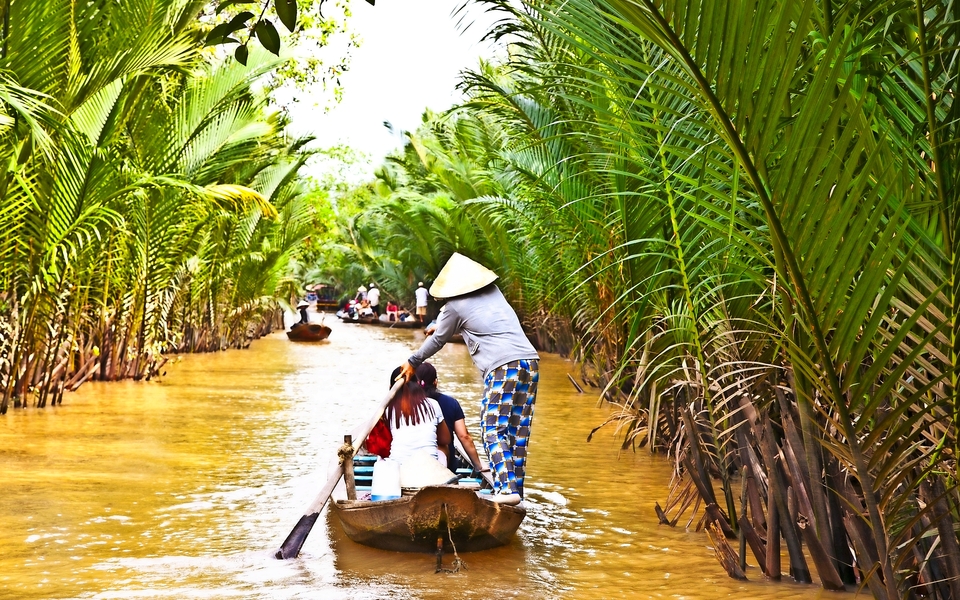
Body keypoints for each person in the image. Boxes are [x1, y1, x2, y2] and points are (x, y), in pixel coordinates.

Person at [398, 253, 540, 505]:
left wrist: (413, 361)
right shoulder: (494, 292)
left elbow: (438, 339)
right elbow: (478, 320)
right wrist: (441, 326)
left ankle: (507, 490)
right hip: (529, 362)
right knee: (517, 431)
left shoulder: (454, 306)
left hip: (503, 366)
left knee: (492, 428)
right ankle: (516, 491)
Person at [416, 361, 484, 473]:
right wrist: (478, 466)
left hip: (413, 461)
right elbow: (464, 436)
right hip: (446, 464)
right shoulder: (451, 403)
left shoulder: (406, 405)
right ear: (435, 382)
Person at [385, 367, 451, 466]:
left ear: (391, 387)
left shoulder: (388, 409)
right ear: (418, 384)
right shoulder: (433, 404)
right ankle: (443, 473)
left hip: (399, 464)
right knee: (444, 447)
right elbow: (445, 439)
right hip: (429, 465)